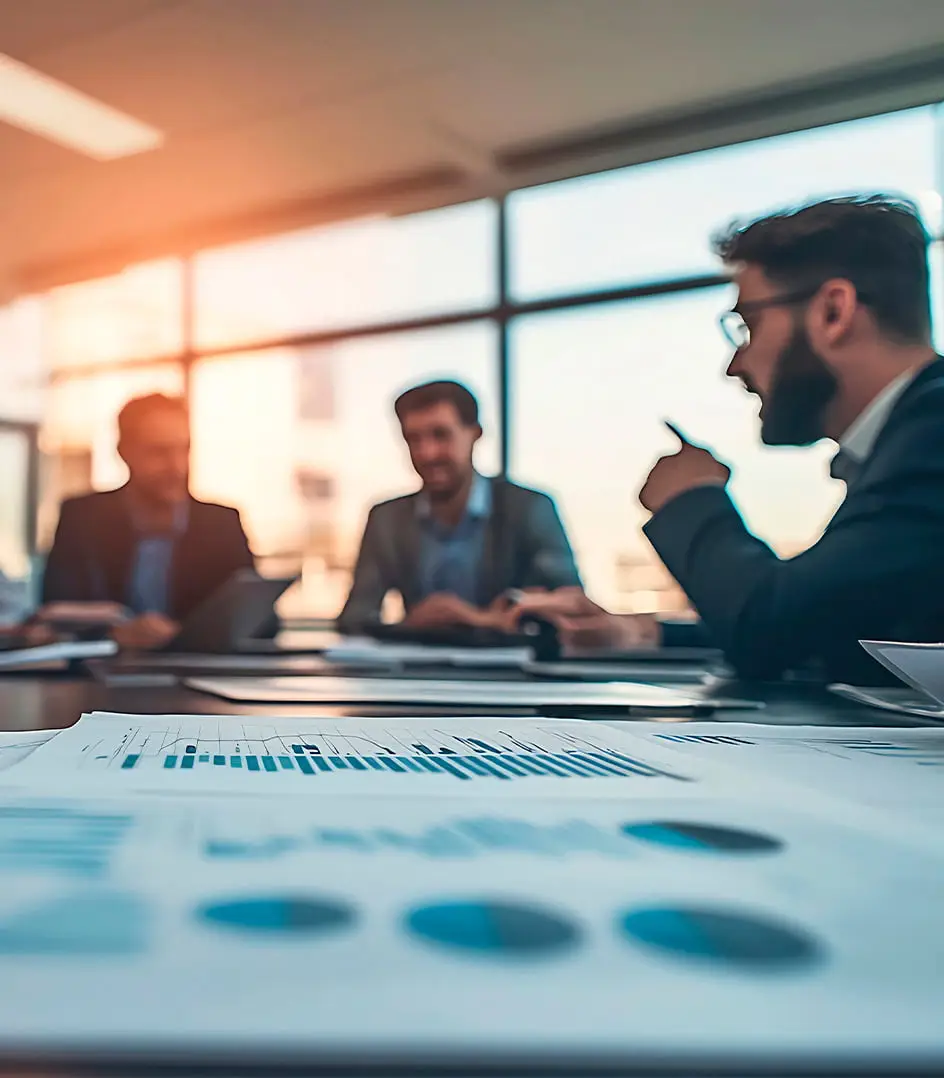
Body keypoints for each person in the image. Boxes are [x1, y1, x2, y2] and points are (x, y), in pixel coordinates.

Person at [511, 196, 944, 684]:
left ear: (833, 311)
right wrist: (646, 636)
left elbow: (773, 629)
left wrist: (692, 499)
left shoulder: (934, 432)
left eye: (748, 326)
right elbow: (835, 626)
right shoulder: (910, 437)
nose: (734, 365)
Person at [337, 380, 581, 635]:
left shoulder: (529, 509)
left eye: (441, 435)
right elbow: (354, 617)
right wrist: (408, 626)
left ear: (475, 434)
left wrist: (477, 618)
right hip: (416, 669)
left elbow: (573, 603)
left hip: (511, 670)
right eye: (413, 439)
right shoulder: (386, 519)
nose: (427, 453)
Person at [42, 394, 257, 651]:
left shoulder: (221, 524)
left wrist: (182, 633)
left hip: (196, 670)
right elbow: (55, 609)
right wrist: (114, 631)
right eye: (159, 452)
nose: (176, 466)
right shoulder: (83, 517)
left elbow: (260, 620)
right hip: (101, 674)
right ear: (124, 452)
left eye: (184, 449)